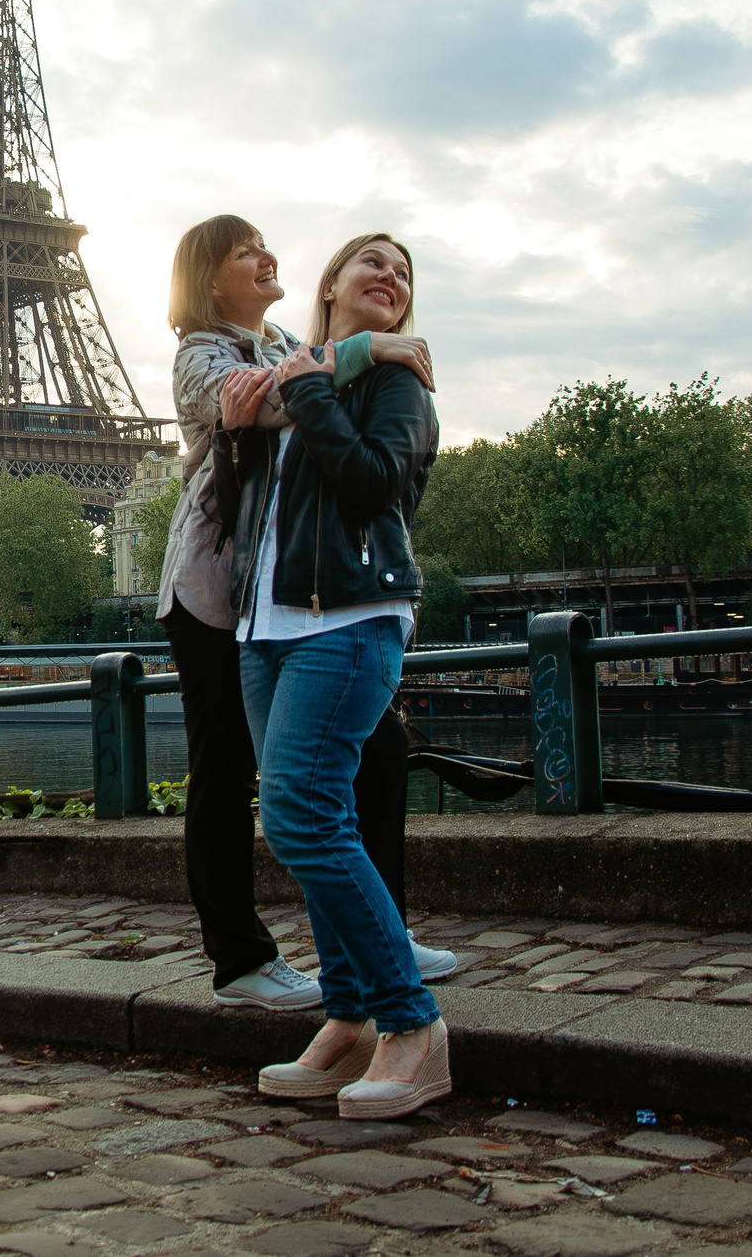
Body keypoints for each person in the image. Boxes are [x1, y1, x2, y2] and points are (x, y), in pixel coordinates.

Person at [154, 217, 443, 1009]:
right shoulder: (202, 353)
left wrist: (352, 356)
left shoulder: (286, 341)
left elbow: (313, 405)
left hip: (287, 589)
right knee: (225, 769)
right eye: (244, 251)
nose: (264, 255)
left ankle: (375, 924)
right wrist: (368, 349)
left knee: (379, 749)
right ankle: (239, 957)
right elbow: (267, 405)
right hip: (217, 589)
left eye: (263, 244)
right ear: (210, 279)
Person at [222, 231, 449, 1117]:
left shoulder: (398, 382)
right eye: (373, 262)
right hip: (266, 625)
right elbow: (257, 511)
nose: (390, 276)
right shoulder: (287, 373)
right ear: (332, 284)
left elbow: (369, 483)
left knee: (300, 816)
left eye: (403, 271)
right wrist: (244, 435)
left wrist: (312, 381)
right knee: (318, 819)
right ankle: (350, 1014)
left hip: (351, 616)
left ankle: (412, 1020)